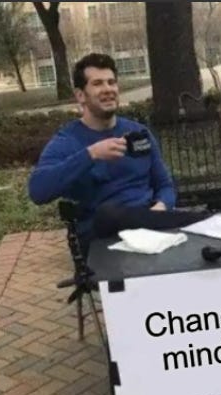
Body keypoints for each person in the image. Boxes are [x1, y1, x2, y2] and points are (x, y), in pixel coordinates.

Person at [28, 53, 206, 251]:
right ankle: (196, 219)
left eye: (111, 82)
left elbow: (164, 185)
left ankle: (205, 221)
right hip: (103, 236)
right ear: (80, 95)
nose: (108, 89)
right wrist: (91, 154)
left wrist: (160, 208)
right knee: (109, 213)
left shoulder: (139, 134)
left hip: (150, 227)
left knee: (199, 235)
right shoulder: (68, 141)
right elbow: (38, 191)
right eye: (97, 84)